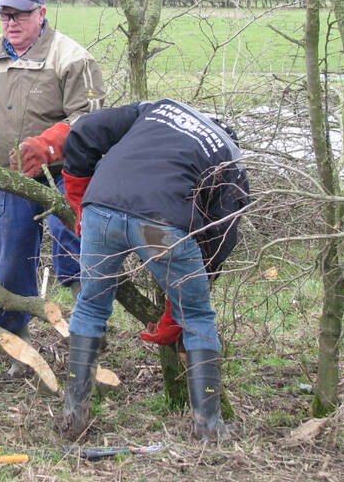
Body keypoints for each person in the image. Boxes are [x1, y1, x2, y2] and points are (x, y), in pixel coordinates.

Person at [56, 99, 249, 442]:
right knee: (197, 317)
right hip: (160, 227)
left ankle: (74, 416)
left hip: (101, 208)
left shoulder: (157, 110)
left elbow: (83, 130)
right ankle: (209, 428)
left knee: (90, 304)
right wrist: (188, 294)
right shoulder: (228, 155)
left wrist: (78, 197)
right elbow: (222, 236)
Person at [0, 0, 105, 372]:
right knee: (10, 261)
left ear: (42, 13)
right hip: (8, 177)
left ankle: (89, 337)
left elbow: (91, 121)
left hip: (68, 175)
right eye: (4, 14)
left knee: (77, 254)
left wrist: (49, 145)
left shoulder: (72, 57)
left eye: (20, 14)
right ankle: (15, 345)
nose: (11, 22)